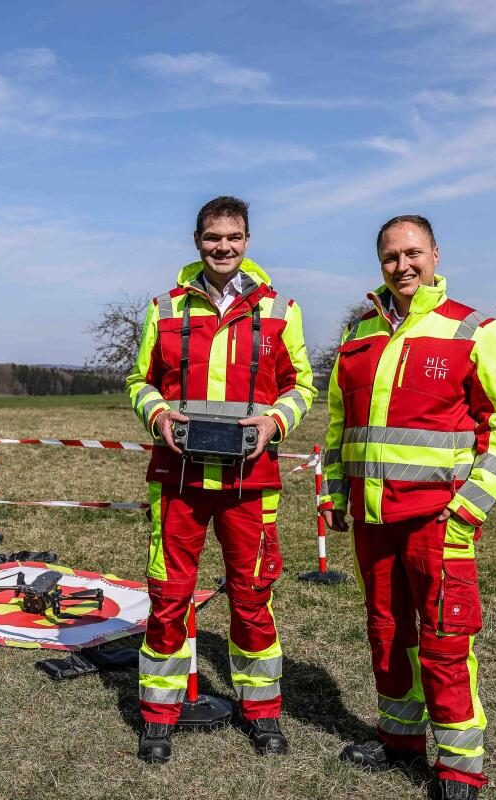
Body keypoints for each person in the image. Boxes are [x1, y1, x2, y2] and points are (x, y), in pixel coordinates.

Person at [320, 215, 496, 799]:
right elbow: (340, 426)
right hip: (372, 522)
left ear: (435, 253)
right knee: (386, 633)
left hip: (440, 522)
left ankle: (460, 767)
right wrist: (335, 494)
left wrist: (469, 510)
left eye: (413, 253)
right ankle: (400, 739)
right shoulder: (358, 333)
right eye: (390, 257)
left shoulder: (474, 329)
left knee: (443, 640)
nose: (402, 265)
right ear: (379, 262)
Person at [124, 196, 316, 763]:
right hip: (178, 480)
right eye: (213, 237)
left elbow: (303, 386)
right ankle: (160, 716)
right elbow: (139, 380)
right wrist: (157, 415)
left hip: (250, 484)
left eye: (233, 237)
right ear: (196, 240)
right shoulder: (163, 308)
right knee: (168, 598)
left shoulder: (282, 310)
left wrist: (276, 420)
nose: (223, 247)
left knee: (253, 599)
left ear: (248, 241)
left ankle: (262, 713)